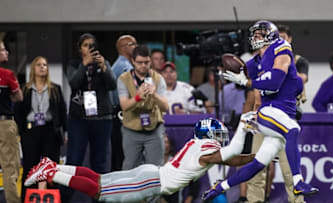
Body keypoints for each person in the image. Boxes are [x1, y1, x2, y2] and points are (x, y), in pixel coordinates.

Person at [202, 20, 319, 201]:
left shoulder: (281, 48)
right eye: (254, 35)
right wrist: (227, 65)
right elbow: (238, 71)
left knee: (257, 165)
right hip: (268, 111)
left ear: (271, 35)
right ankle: (298, 183)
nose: (256, 38)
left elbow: (274, 83)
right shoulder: (256, 62)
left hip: (281, 114)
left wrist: (246, 81)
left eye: (260, 34)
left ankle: (220, 186)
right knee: (293, 130)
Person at [24, 118, 255, 202]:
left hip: (151, 174)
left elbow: (232, 159)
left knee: (99, 179)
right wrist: (244, 126)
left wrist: (257, 158)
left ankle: (53, 166)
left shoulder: (199, 145)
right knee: (99, 192)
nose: (221, 139)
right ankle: (51, 172)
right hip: (151, 182)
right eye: (219, 135)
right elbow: (232, 152)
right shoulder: (207, 151)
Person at [14, 56, 67, 200]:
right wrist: (22, 131)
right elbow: (18, 112)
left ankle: (53, 198)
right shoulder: (25, 89)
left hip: (50, 131)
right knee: (30, 168)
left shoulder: (55, 89)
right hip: (31, 131)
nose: (42, 67)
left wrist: (66, 131)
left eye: (45, 64)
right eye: (39, 65)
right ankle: (27, 198)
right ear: (33, 69)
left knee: (51, 168)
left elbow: (62, 112)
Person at [66, 33, 116, 173]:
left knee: (100, 162)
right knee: (74, 160)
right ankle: (67, 195)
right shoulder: (74, 64)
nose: (89, 48)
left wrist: (104, 69)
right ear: (80, 48)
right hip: (79, 119)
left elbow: (112, 85)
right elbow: (74, 83)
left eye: (91, 45)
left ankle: (99, 195)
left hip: (101, 118)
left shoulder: (103, 63)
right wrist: (84, 65)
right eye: (85, 45)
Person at [117, 45, 168, 170]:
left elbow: (165, 106)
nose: (143, 65)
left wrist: (154, 95)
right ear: (133, 61)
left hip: (154, 129)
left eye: (146, 62)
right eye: (140, 62)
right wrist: (138, 96)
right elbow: (124, 105)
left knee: (156, 169)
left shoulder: (158, 78)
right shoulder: (124, 79)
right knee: (130, 168)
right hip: (131, 129)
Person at [110, 34, 137, 171]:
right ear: (123, 47)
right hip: (122, 114)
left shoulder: (118, 65)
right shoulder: (124, 66)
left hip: (118, 113)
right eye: (132, 44)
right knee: (124, 156)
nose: (136, 47)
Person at [0, 40, 23, 203]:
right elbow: (18, 97)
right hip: (4, 124)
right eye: (2, 50)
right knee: (10, 167)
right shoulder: (7, 74)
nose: (6, 52)